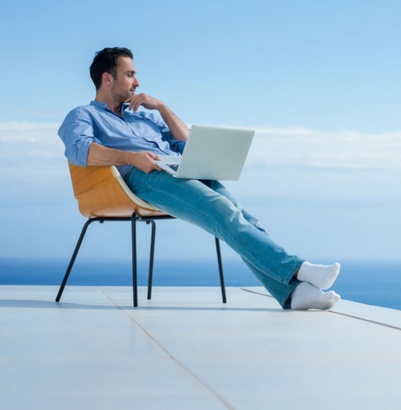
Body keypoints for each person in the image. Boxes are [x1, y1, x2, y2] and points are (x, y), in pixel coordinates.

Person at [58, 47, 341, 310]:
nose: (137, 82)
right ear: (107, 79)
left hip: (180, 170)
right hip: (142, 178)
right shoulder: (83, 115)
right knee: (223, 212)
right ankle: (296, 270)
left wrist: (163, 109)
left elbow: (190, 144)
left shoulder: (143, 117)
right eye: (130, 74)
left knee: (243, 217)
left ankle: (291, 294)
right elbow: (79, 150)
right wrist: (132, 157)